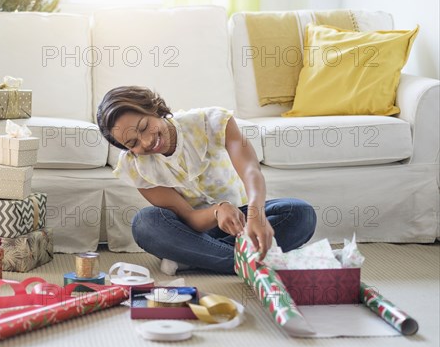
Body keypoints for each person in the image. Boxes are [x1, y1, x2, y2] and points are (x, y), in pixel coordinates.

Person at [97, 86, 316, 275]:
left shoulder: (211, 121)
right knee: (145, 223)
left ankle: (193, 259)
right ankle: (244, 260)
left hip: (244, 220)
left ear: (153, 109)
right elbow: (190, 217)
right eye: (133, 143)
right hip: (193, 231)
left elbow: (250, 169)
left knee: (301, 213)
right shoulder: (135, 166)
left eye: (145, 127)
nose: (146, 142)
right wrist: (217, 210)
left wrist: (256, 212)